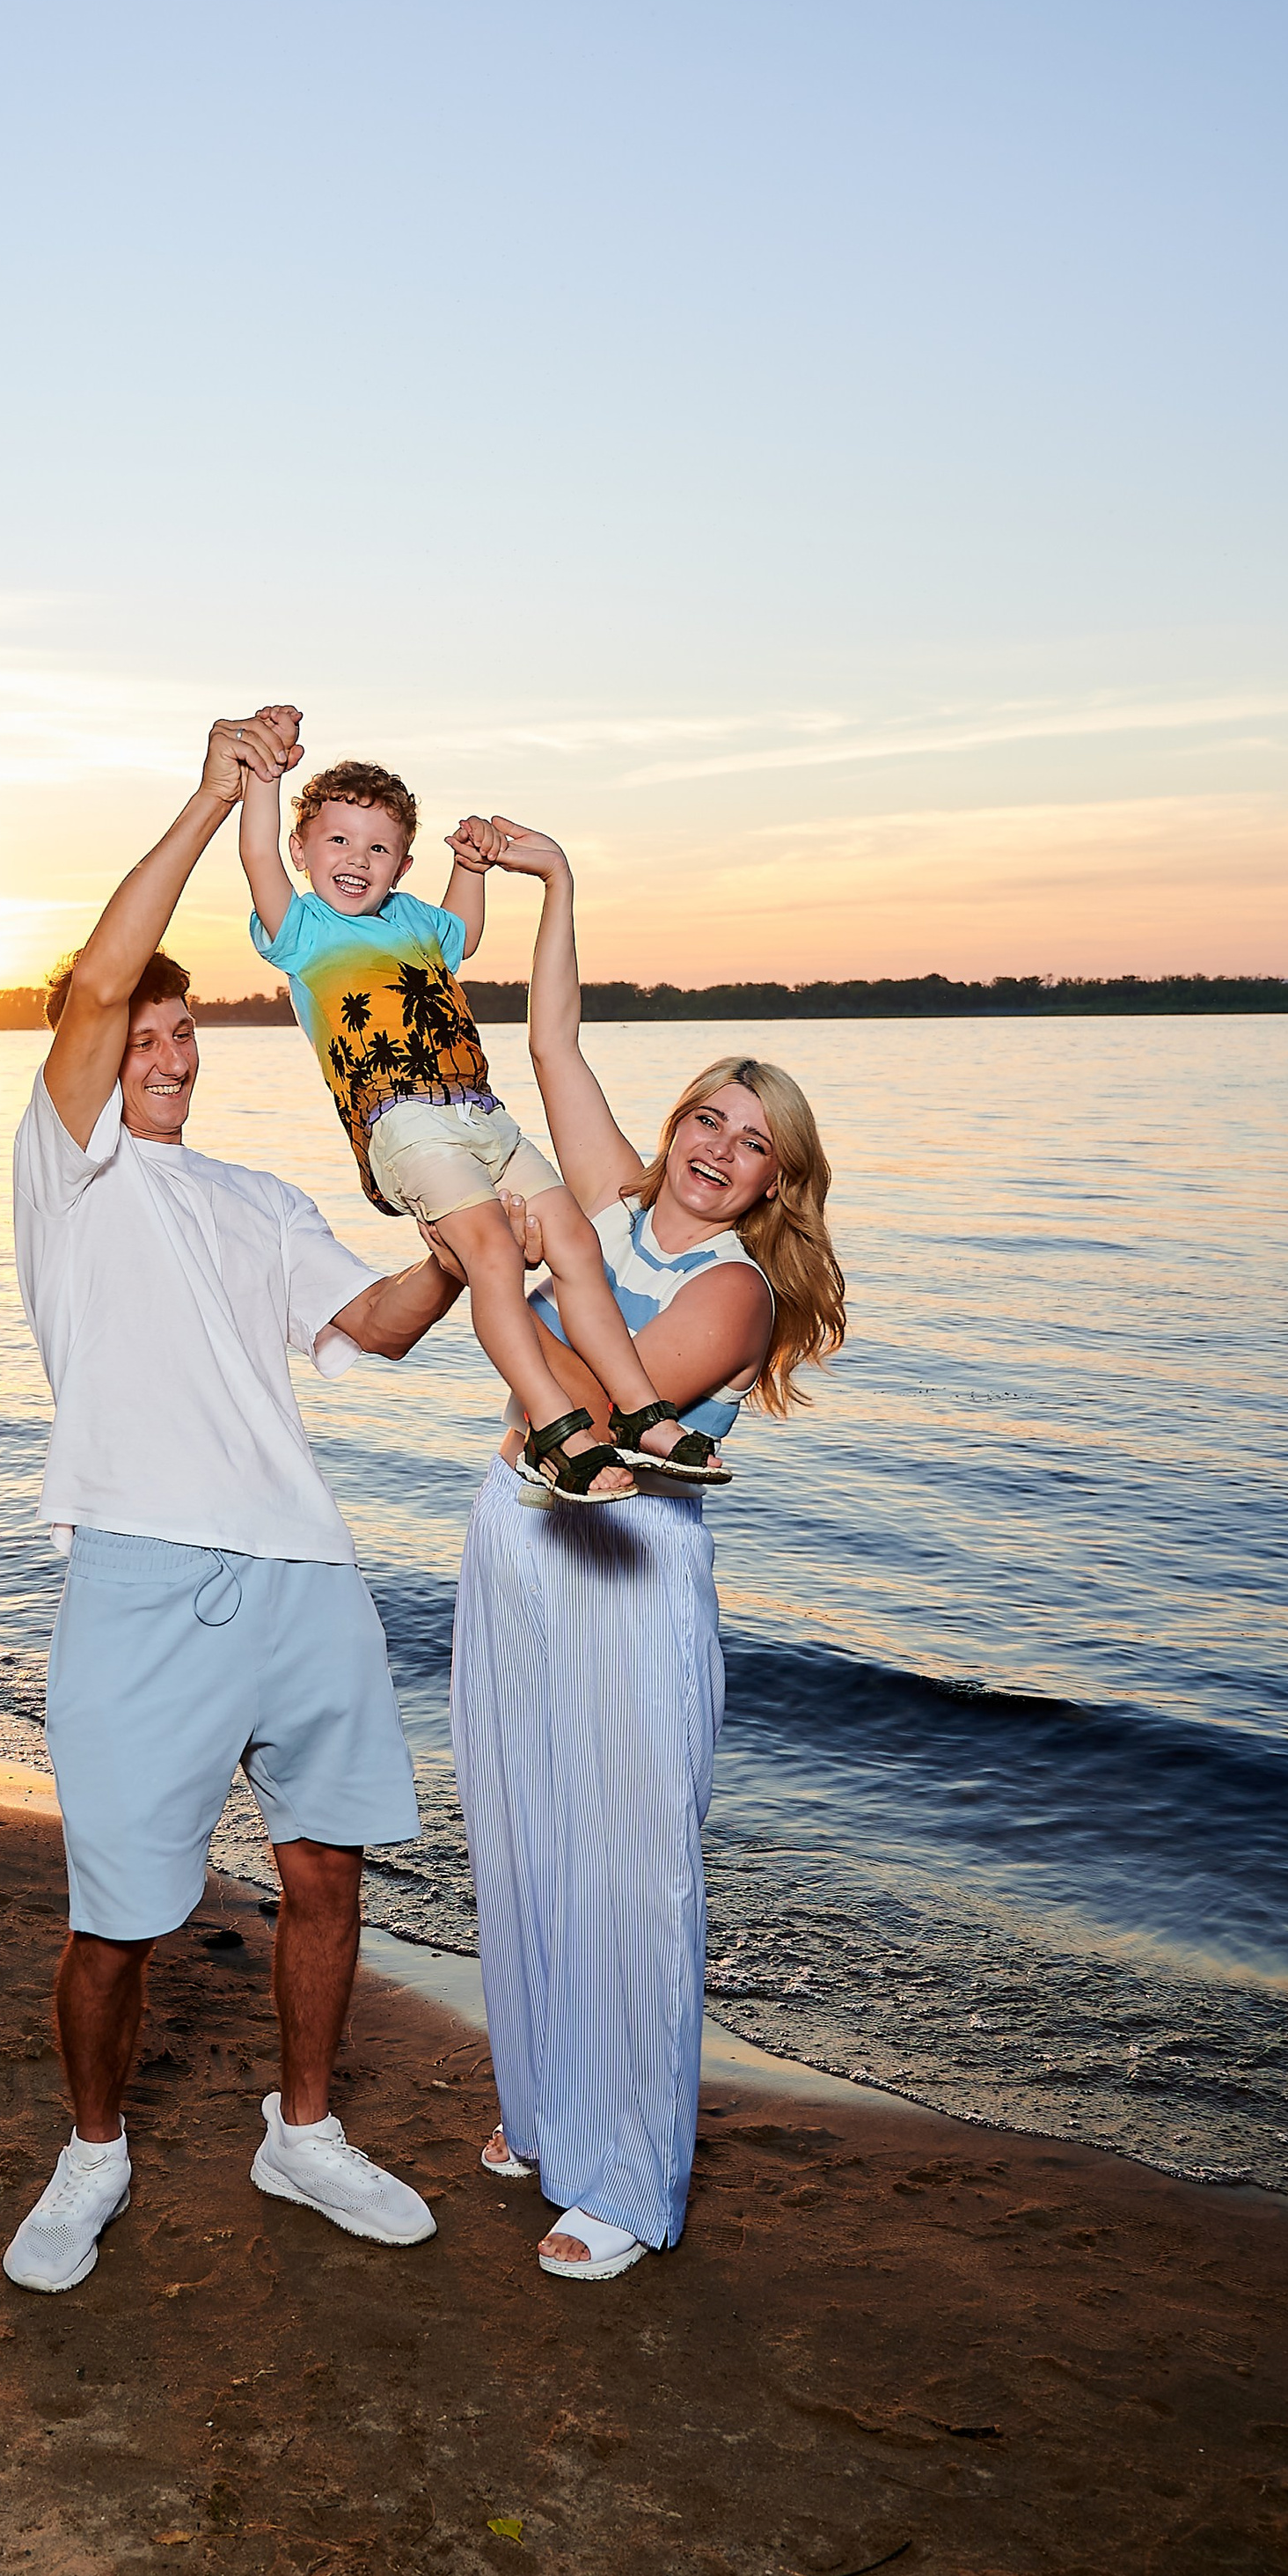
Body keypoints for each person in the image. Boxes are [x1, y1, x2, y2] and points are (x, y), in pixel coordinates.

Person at [4, 705, 479, 2295]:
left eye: (183, 1034)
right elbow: (89, 983)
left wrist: (472, 1249)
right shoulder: (68, 1170)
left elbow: (373, 1334)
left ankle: (305, 2130)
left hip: (303, 1572)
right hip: (143, 1575)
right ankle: (92, 2156)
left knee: (329, 1868)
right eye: (144, 1038)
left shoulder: (258, 1196)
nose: (168, 1053)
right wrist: (221, 797)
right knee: (121, 1915)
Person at [448, 818, 847, 2285]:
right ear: (678, 1121)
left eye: (755, 1144)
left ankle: (624, 2178)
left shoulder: (736, 1292)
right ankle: (543, 2108)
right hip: (514, 1533)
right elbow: (547, 1035)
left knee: (626, 1866)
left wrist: (531, 1266)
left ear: (773, 1182)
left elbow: (617, 1397)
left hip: (627, 1568)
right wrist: (557, 886)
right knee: (522, 1826)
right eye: (711, 1118)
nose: (720, 1149)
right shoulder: (611, 1195)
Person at [239, 738, 731, 1504]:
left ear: (403, 865)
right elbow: (257, 862)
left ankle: (641, 1411)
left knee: (575, 1240)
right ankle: (557, 1424)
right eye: (336, 839)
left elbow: (464, 935)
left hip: (482, 1116)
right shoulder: (303, 931)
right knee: (495, 1257)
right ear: (301, 849)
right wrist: (263, 785)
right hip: (404, 1126)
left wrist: (470, 864)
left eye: (379, 848)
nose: (357, 859)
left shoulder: (412, 918)